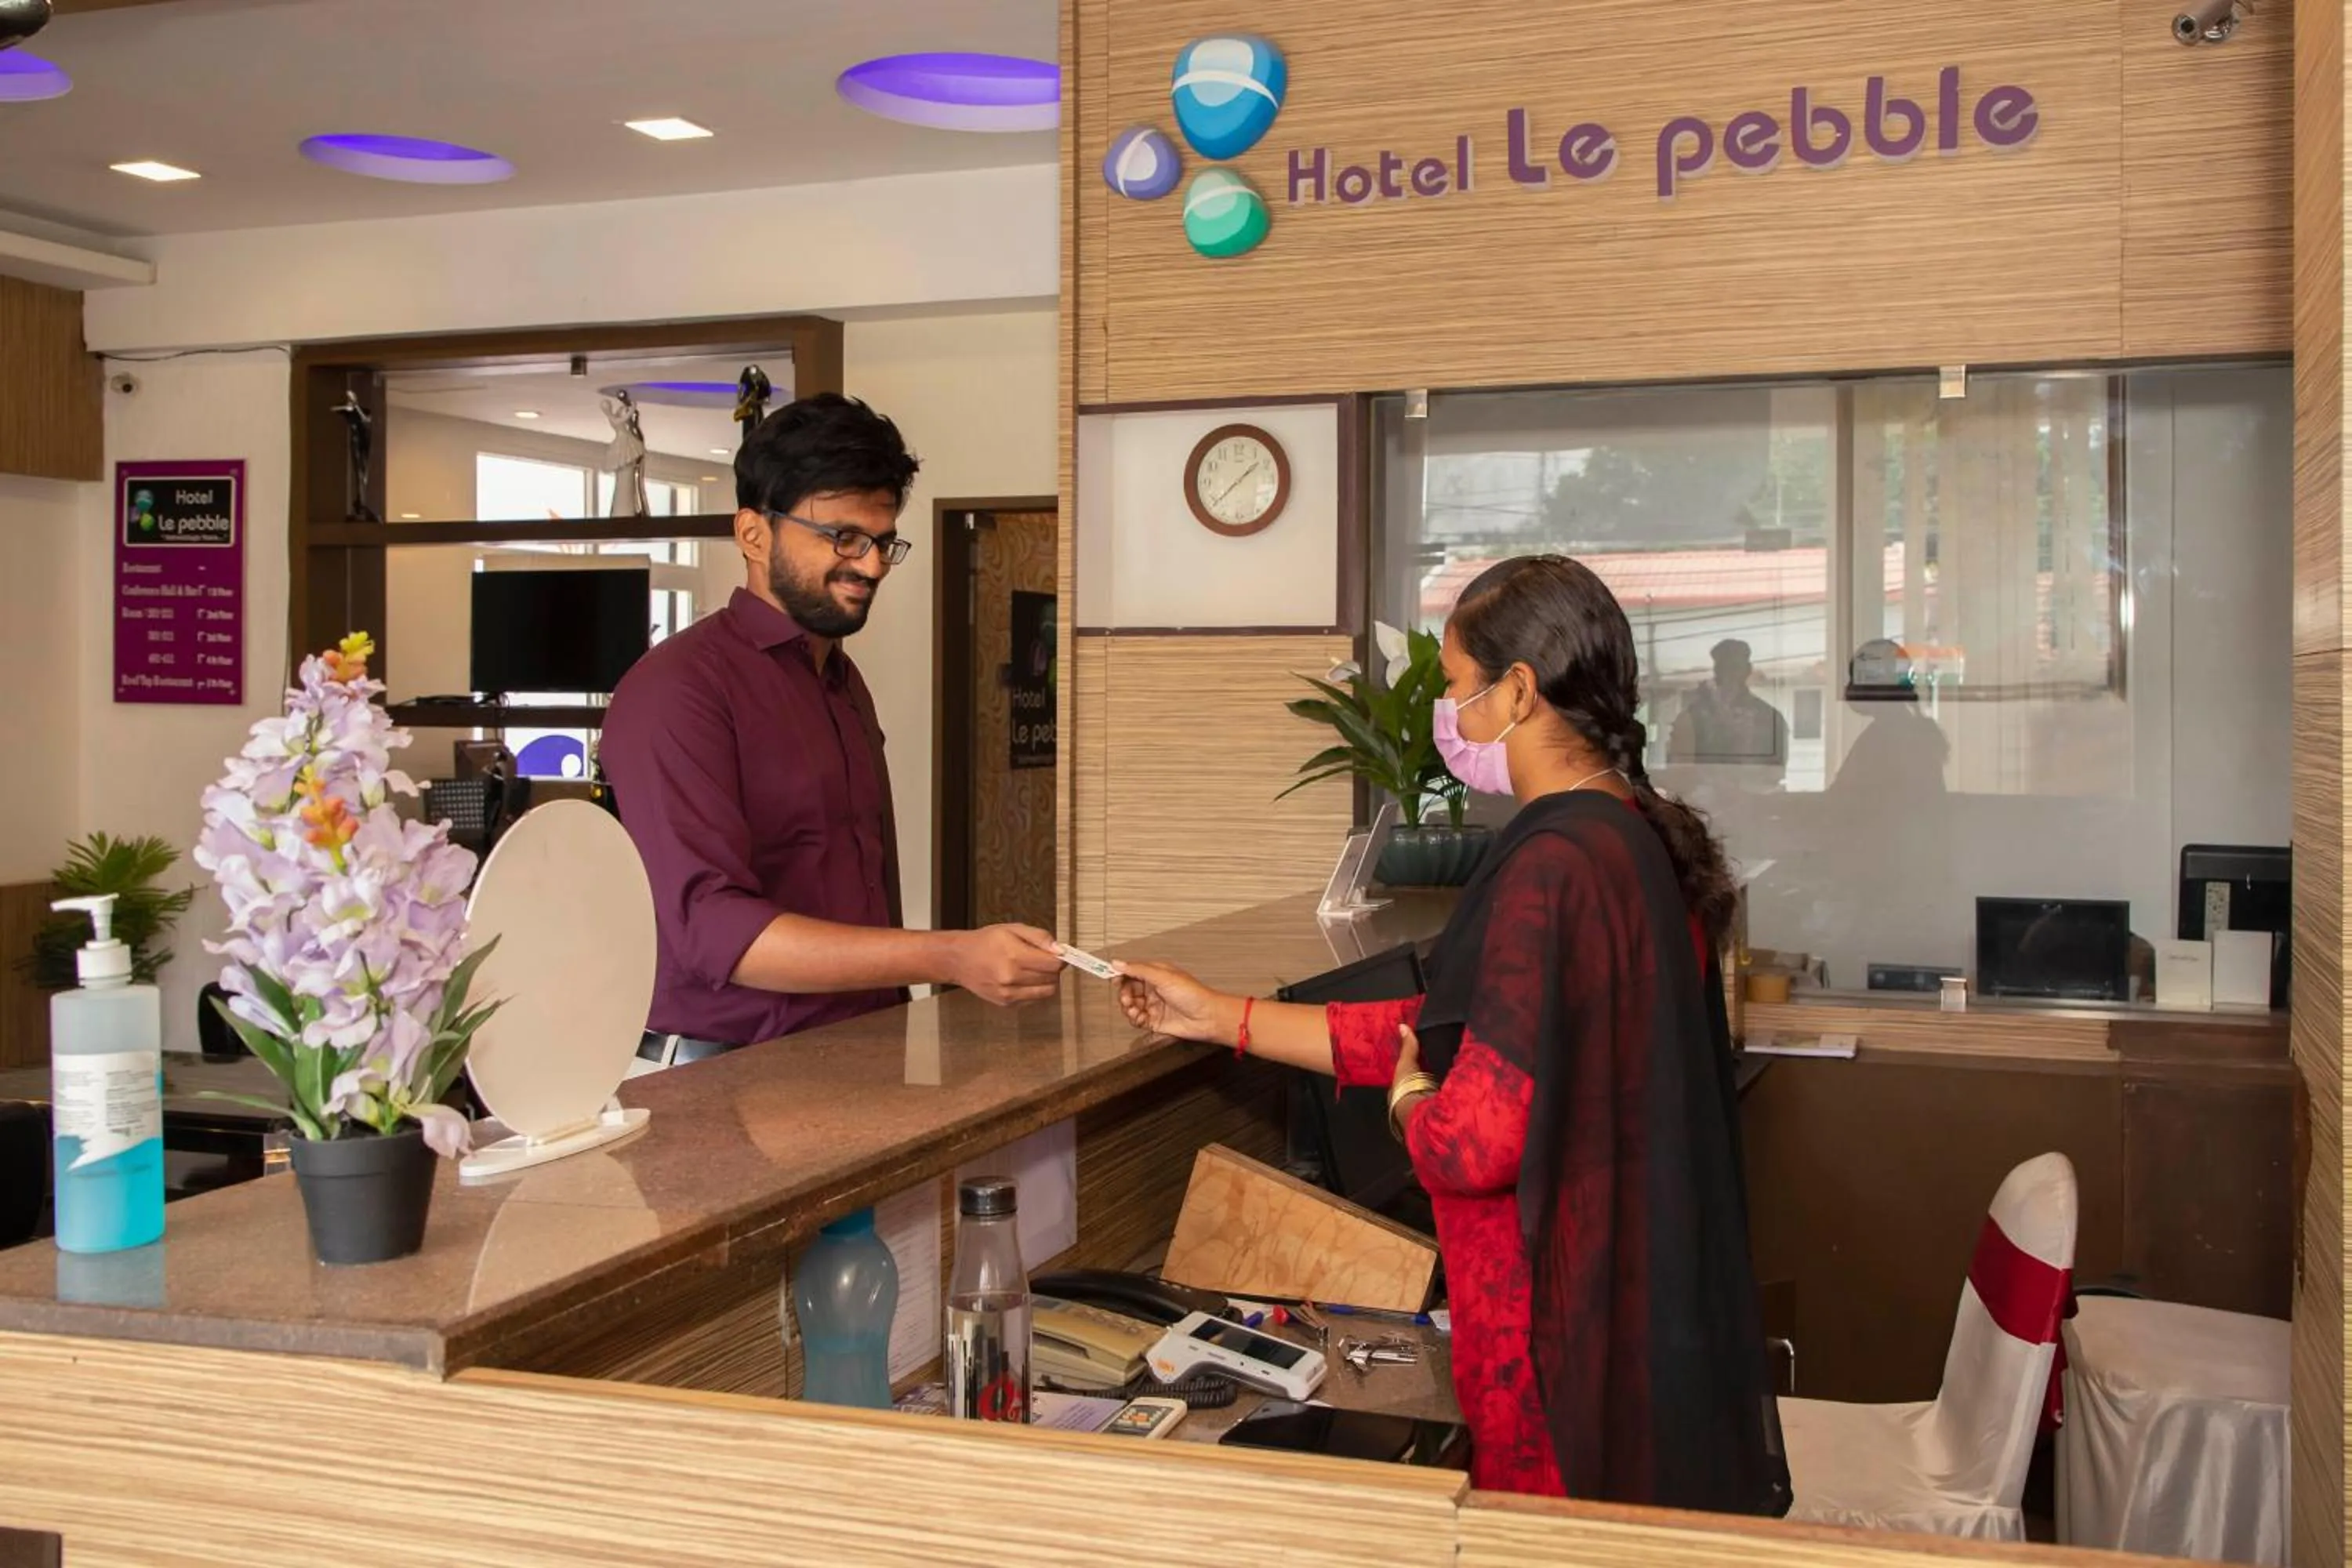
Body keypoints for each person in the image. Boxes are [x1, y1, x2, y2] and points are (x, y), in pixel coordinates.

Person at [1116, 555, 1789, 1513]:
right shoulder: (1633, 834)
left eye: (1457, 683)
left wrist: (1408, 1101)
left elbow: (1469, 1137)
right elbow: (1447, 1029)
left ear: (1518, 690)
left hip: (1546, 1338)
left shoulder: (1552, 865)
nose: (1450, 712)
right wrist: (1221, 1014)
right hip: (1629, 1314)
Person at [601, 393, 1062, 1067]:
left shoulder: (841, 681)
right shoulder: (678, 690)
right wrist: (951, 955)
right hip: (724, 1074)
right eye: (843, 537)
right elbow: (714, 931)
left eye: (882, 542)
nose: (871, 565)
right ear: (754, 534)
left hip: (858, 1057)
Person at [1668, 637, 1788, 782]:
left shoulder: (1769, 718)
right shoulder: (1693, 716)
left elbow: (1775, 773)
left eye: (1734, 667)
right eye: (1721, 668)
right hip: (1702, 794)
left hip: (1749, 795)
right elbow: (1678, 767)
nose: (1727, 675)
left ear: (1747, 670)